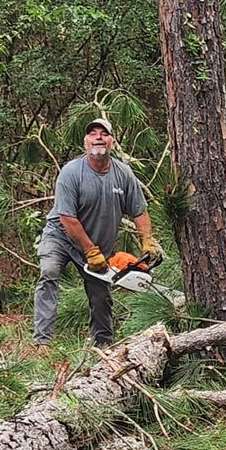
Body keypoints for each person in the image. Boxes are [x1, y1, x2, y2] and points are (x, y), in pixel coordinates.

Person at [32, 114, 160, 347]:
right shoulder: (71, 173)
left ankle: (103, 344)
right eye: (93, 134)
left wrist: (147, 241)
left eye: (104, 134)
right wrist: (90, 250)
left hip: (98, 246)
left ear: (112, 141)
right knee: (49, 271)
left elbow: (139, 212)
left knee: (100, 294)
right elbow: (67, 218)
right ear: (85, 142)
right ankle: (42, 340)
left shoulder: (123, 174)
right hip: (61, 237)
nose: (98, 138)